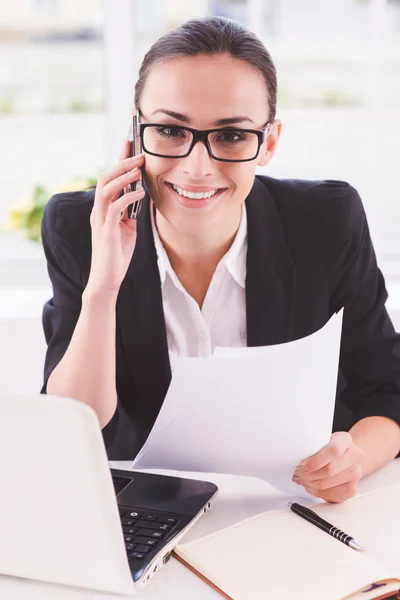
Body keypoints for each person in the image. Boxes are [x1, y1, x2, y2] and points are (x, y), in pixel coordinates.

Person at [41, 16, 400, 503]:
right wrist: (103, 284)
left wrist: (353, 455)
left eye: (230, 137)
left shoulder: (326, 220)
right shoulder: (78, 225)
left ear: (268, 143)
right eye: (169, 129)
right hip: (143, 510)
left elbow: (388, 389)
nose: (197, 166)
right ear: (135, 131)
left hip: (294, 507)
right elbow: (70, 429)